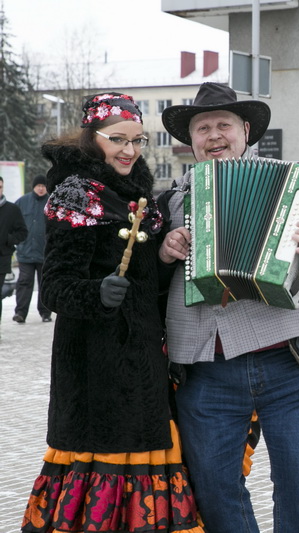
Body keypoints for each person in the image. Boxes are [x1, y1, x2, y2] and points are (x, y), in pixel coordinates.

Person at [158, 81, 299, 533]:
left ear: (245, 131)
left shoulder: (297, 183)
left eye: (224, 125)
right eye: (203, 128)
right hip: (208, 371)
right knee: (213, 490)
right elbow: (147, 284)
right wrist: (163, 252)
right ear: (190, 140)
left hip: (294, 364)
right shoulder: (169, 202)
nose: (214, 135)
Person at [20, 93, 202, 532]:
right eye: (117, 139)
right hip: (94, 374)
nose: (129, 149)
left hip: (143, 368)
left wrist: (163, 259)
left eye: (137, 140)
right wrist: (96, 293)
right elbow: (55, 288)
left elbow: (146, 284)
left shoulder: (138, 196)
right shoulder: (75, 196)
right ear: (93, 138)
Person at [13, 175, 52, 324]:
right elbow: (13, 223)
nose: (41, 188)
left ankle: (45, 313)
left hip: (45, 252)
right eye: (38, 186)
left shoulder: (52, 202)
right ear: (33, 187)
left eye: (43, 186)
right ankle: (20, 313)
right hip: (25, 252)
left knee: (45, 283)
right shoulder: (22, 202)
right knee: (24, 282)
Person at [0, 175, 28, 337]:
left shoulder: (12, 210)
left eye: (0, 187)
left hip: (2, 258)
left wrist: (8, 239)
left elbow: (23, 232)